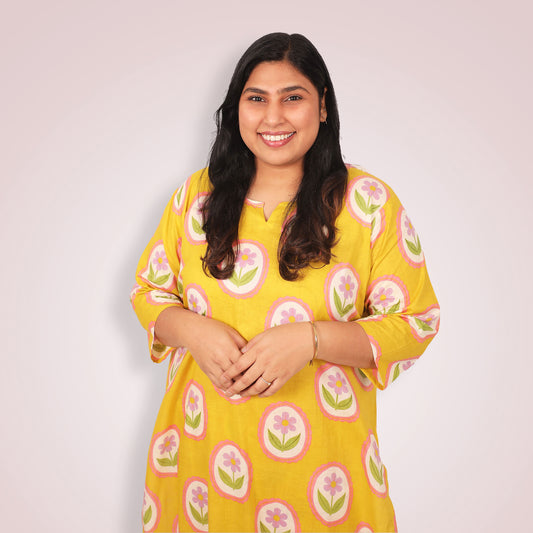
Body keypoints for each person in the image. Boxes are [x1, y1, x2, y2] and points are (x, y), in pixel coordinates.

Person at [131, 32, 440, 533]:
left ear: (323, 106)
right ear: (237, 108)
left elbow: (414, 324)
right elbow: (149, 291)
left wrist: (310, 340)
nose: (273, 118)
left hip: (325, 475)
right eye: (256, 99)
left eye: (292, 97)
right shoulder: (198, 197)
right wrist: (192, 330)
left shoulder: (368, 204)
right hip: (202, 463)